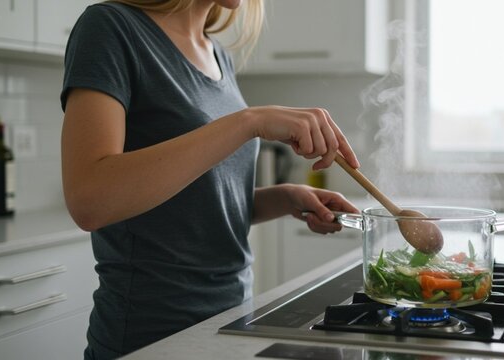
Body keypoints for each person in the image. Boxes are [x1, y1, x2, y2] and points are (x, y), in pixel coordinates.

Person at [60, 0, 361, 359]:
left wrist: (286, 197)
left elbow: (196, 204)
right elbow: (90, 200)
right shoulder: (110, 27)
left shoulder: (217, 54)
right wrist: (248, 122)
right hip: (150, 338)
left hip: (228, 324)